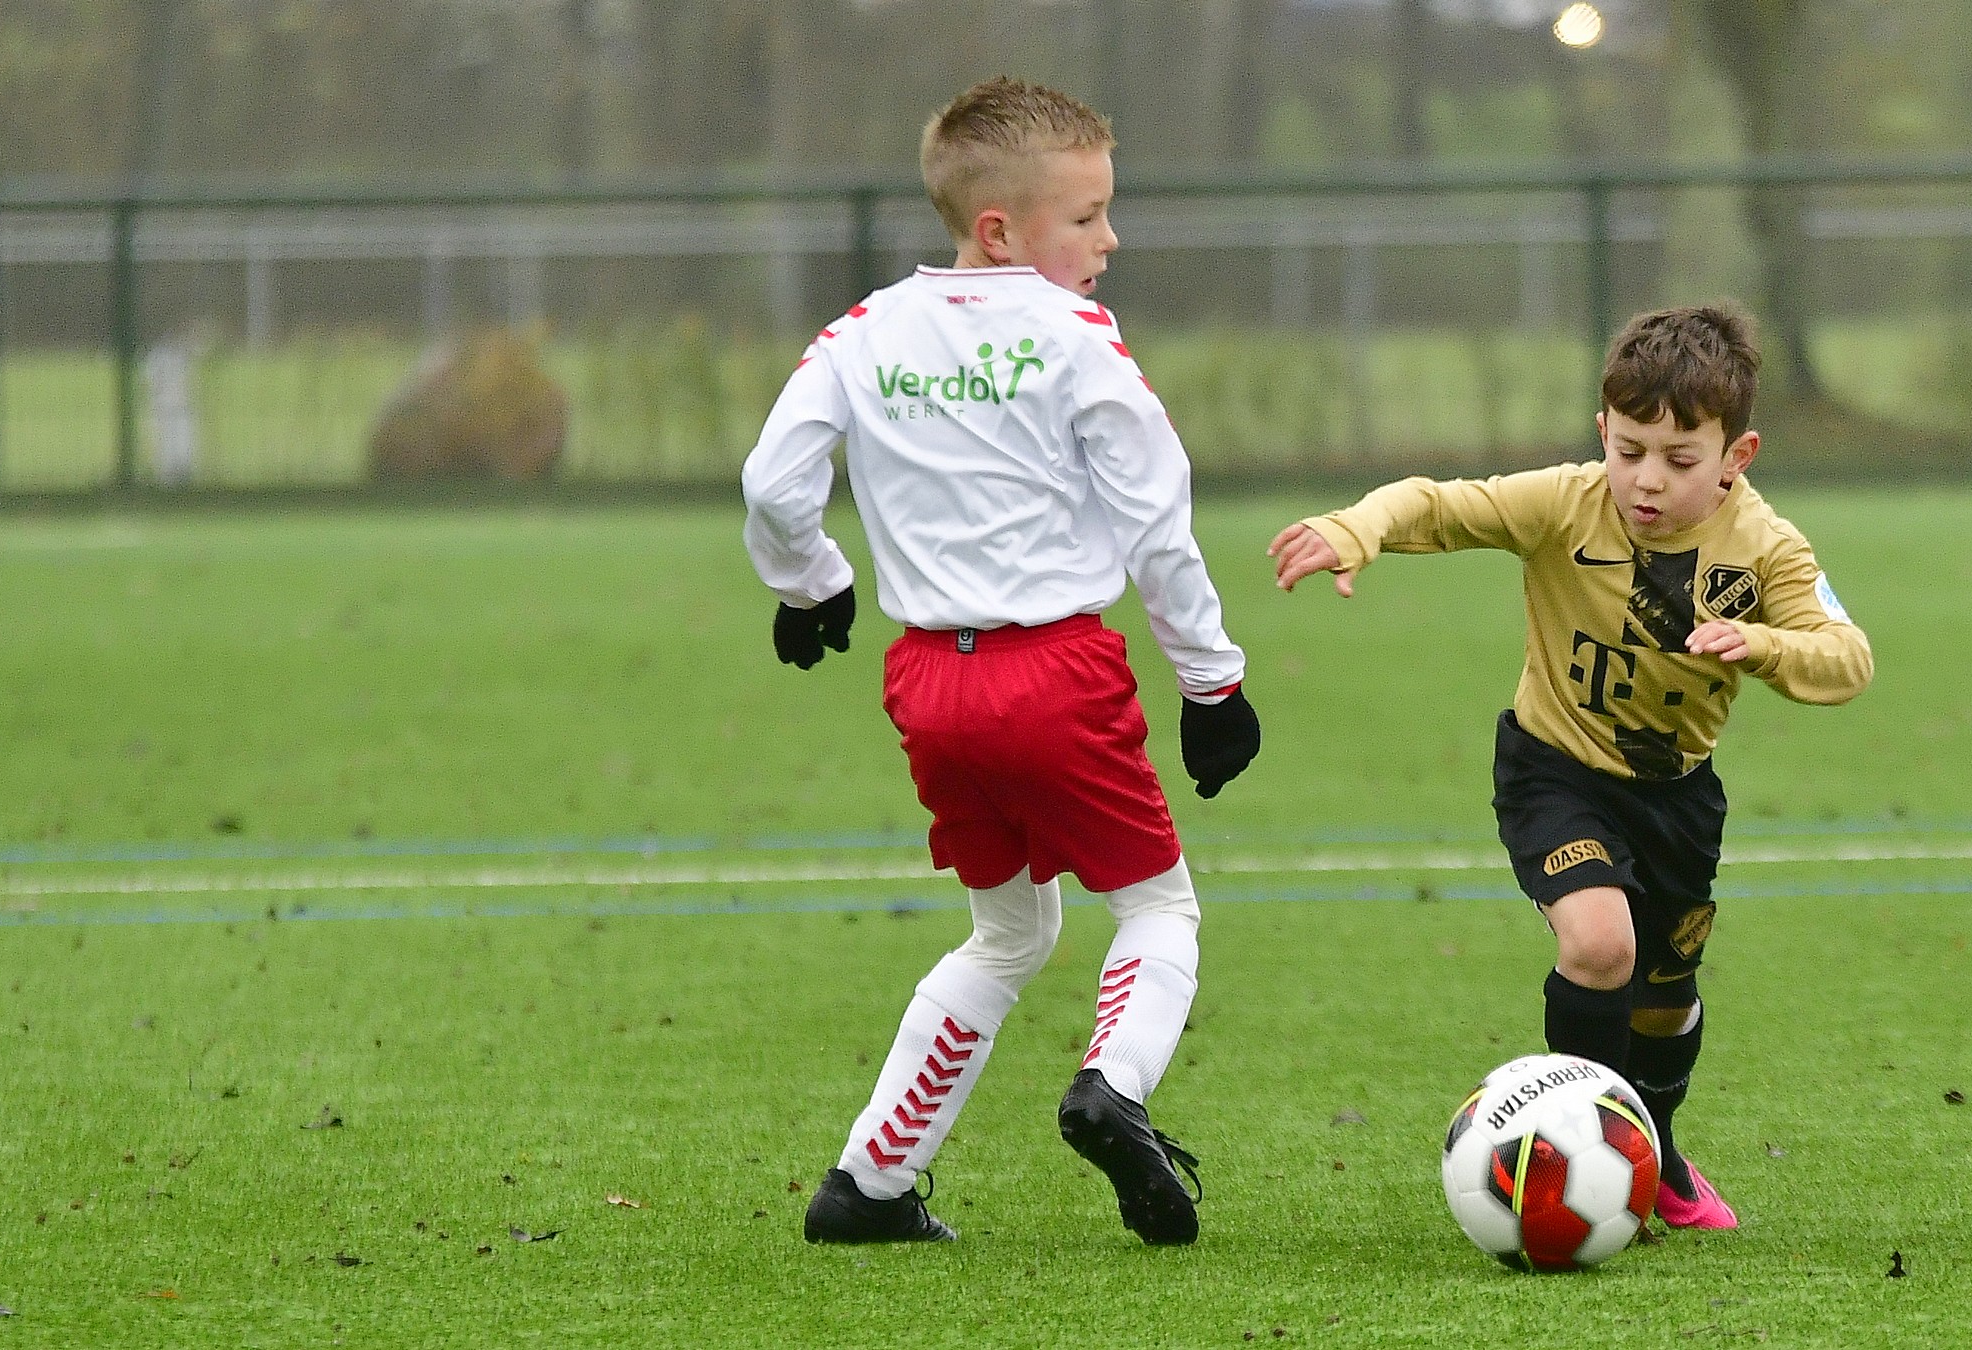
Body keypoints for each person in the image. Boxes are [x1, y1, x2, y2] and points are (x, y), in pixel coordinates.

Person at [742, 75, 1261, 1247]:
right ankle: (1112, 1089)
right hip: (1056, 673)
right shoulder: (1077, 338)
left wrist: (809, 583)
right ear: (1000, 231)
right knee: (1158, 909)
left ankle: (868, 1184)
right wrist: (1212, 683)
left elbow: (773, 482)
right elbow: (1159, 523)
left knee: (1010, 933)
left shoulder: (861, 332)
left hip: (928, 686)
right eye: (1086, 219)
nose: (1108, 241)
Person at [1268, 305, 1872, 1231]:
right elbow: (1436, 503)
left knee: (1664, 1003)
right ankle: (1577, 1165)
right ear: (1603, 432)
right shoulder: (1566, 501)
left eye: (1679, 460)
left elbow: (1848, 660)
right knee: (1600, 946)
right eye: (1629, 450)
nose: (1646, 480)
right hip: (1555, 771)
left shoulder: (1766, 550)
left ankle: (1654, 1151)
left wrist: (1758, 644)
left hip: (1678, 798)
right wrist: (1361, 527)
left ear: (1736, 455)